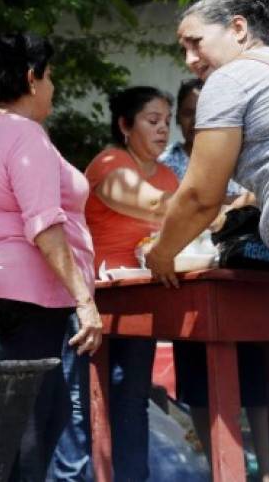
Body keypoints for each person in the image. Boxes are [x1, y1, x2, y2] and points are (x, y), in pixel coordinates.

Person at [0, 33, 102, 482]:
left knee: (10, 427)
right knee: (32, 430)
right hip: (32, 297)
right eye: (49, 76)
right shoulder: (25, 134)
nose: (52, 87)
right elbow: (44, 226)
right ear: (30, 78)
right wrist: (84, 299)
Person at [147, 0, 269, 482]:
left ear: (239, 29)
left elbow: (201, 195)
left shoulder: (231, 78)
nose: (191, 58)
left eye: (196, 42)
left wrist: (162, 253)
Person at [84, 86, 178, 481]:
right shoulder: (110, 163)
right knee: (91, 403)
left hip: (142, 300)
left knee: (133, 400)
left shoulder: (169, 175)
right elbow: (159, 206)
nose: (163, 131)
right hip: (97, 301)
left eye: (167, 123)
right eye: (152, 121)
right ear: (125, 124)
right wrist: (217, 206)